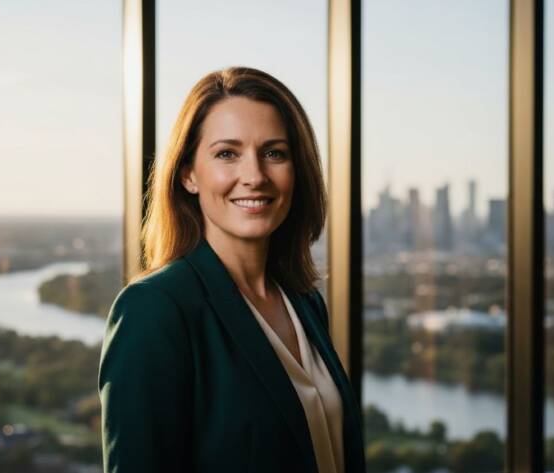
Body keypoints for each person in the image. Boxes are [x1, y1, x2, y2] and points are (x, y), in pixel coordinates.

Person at [98, 66, 365, 473]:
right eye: (227, 154)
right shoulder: (154, 310)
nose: (255, 176)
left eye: (274, 153)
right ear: (188, 173)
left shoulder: (304, 300)